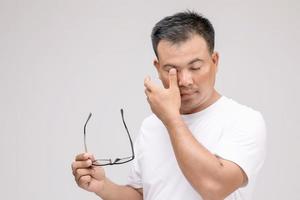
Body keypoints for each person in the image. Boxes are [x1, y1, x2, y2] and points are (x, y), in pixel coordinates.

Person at [71, 10, 266, 200]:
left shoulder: (244, 120)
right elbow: (142, 195)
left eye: (195, 67)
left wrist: (172, 119)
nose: (185, 80)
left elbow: (214, 189)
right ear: (157, 68)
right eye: (172, 70)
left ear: (214, 61)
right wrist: (103, 186)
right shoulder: (151, 125)